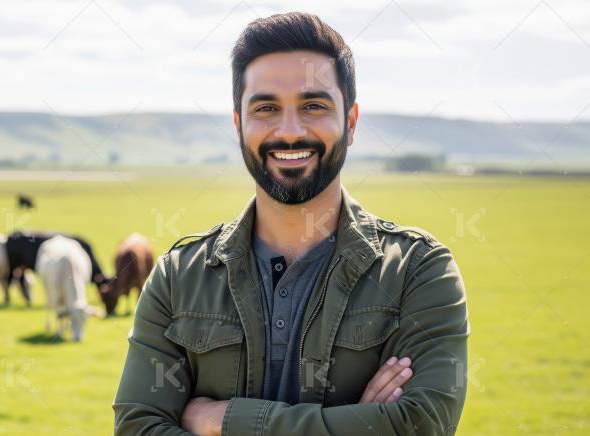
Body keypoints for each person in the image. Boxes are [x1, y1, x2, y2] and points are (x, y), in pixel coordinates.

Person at [114, 11, 469, 436]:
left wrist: (221, 420)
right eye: (266, 108)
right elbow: (137, 428)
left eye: (313, 105)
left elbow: (420, 426)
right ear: (238, 124)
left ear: (351, 123)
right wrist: (359, 423)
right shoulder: (178, 276)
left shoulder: (417, 271)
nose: (289, 131)